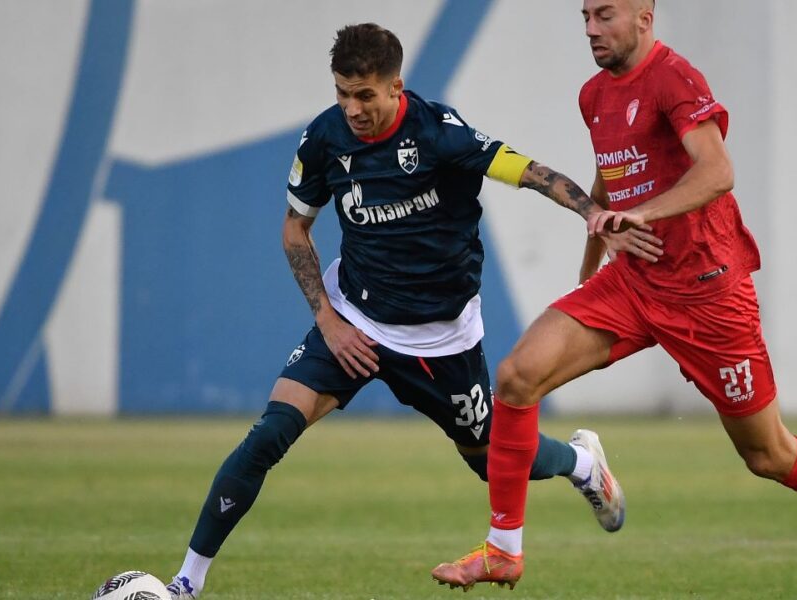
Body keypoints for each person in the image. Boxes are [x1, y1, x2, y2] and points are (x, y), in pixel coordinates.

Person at [432, 2, 797, 598]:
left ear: (645, 16)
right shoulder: (594, 94)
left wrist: (640, 214)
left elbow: (717, 171)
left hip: (707, 293)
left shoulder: (675, 78)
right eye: (585, 15)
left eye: (605, 15)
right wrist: (592, 258)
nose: (590, 29)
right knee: (518, 376)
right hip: (633, 282)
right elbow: (610, 176)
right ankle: (503, 551)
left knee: (769, 454)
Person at [163, 22, 662, 600]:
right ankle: (185, 584)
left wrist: (591, 214)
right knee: (269, 434)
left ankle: (581, 463)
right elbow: (295, 228)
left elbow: (530, 173)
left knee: (490, 460)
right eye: (342, 93)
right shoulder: (324, 138)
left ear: (395, 86)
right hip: (354, 322)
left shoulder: (439, 133)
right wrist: (327, 319)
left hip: (441, 341)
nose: (352, 109)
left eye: (365, 95)